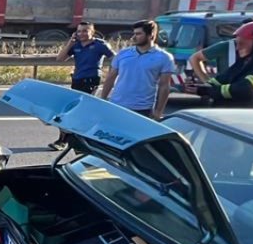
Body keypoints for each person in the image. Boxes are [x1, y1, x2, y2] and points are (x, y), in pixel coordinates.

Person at [189, 21, 253, 108]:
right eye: (237, 43)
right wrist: (203, 86)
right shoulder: (245, 60)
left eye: (242, 43)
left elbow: (245, 90)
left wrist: (208, 91)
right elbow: (224, 78)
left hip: (251, 118)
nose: (237, 48)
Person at [49, 21, 113, 150]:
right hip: (77, 80)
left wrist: (111, 75)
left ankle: (64, 141)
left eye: (85, 31)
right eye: (79, 31)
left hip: (91, 81)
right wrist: (70, 43)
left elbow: (115, 59)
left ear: (92, 32)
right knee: (72, 110)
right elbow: (60, 59)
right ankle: (76, 139)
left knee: (75, 111)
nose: (81, 34)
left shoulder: (100, 45)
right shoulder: (76, 44)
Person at [98, 20, 175, 119]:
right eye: (134, 33)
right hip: (117, 104)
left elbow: (164, 86)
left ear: (151, 35)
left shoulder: (164, 57)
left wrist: (158, 111)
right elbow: (110, 77)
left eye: (138, 34)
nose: (133, 37)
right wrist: (103, 99)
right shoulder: (123, 54)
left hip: (143, 109)